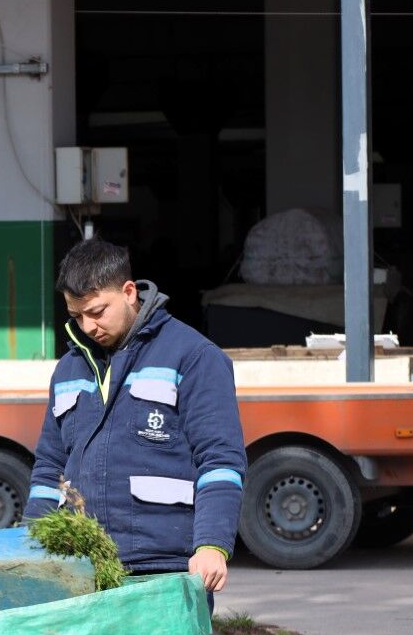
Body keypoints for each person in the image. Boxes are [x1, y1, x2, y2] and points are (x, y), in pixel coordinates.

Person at [23, 236, 246, 595]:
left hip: (166, 568)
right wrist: (32, 547)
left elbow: (219, 460)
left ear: (129, 292)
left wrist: (211, 544)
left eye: (97, 311)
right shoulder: (67, 369)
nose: (88, 327)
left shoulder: (193, 356)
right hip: (79, 567)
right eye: (76, 316)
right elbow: (50, 466)